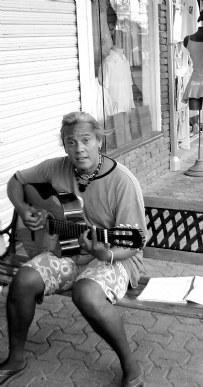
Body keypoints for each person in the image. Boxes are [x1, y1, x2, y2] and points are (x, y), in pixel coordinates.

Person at [1, 112, 147, 387]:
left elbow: (136, 243)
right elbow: (16, 181)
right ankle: (15, 359)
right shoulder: (56, 168)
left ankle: (131, 364)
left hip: (116, 256)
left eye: (85, 140)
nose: (78, 148)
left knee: (86, 293)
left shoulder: (122, 181)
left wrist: (106, 254)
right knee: (23, 281)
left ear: (99, 140)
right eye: (71, 142)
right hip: (67, 251)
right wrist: (24, 209)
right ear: (64, 145)